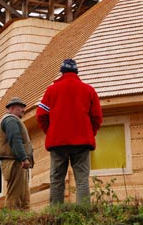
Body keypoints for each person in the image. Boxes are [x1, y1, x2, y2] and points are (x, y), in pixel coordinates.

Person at [36, 59, 103, 205]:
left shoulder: (51, 91)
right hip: (82, 143)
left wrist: (51, 131)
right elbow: (97, 117)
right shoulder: (89, 90)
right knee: (82, 180)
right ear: (76, 72)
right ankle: (83, 214)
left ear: (62, 72)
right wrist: (89, 133)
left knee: (56, 179)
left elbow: (41, 115)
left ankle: (55, 214)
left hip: (57, 143)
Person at [0, 97, 33, 210]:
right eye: (20, 107)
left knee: (24, 198)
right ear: (11, 108)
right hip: (14, 161)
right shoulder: (11, 120)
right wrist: (23, 158)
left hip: (17, 161)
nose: (23, 110)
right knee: (15, 197)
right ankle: (10, 223)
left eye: (23, 107)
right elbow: (15, 140)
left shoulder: (13, 120)